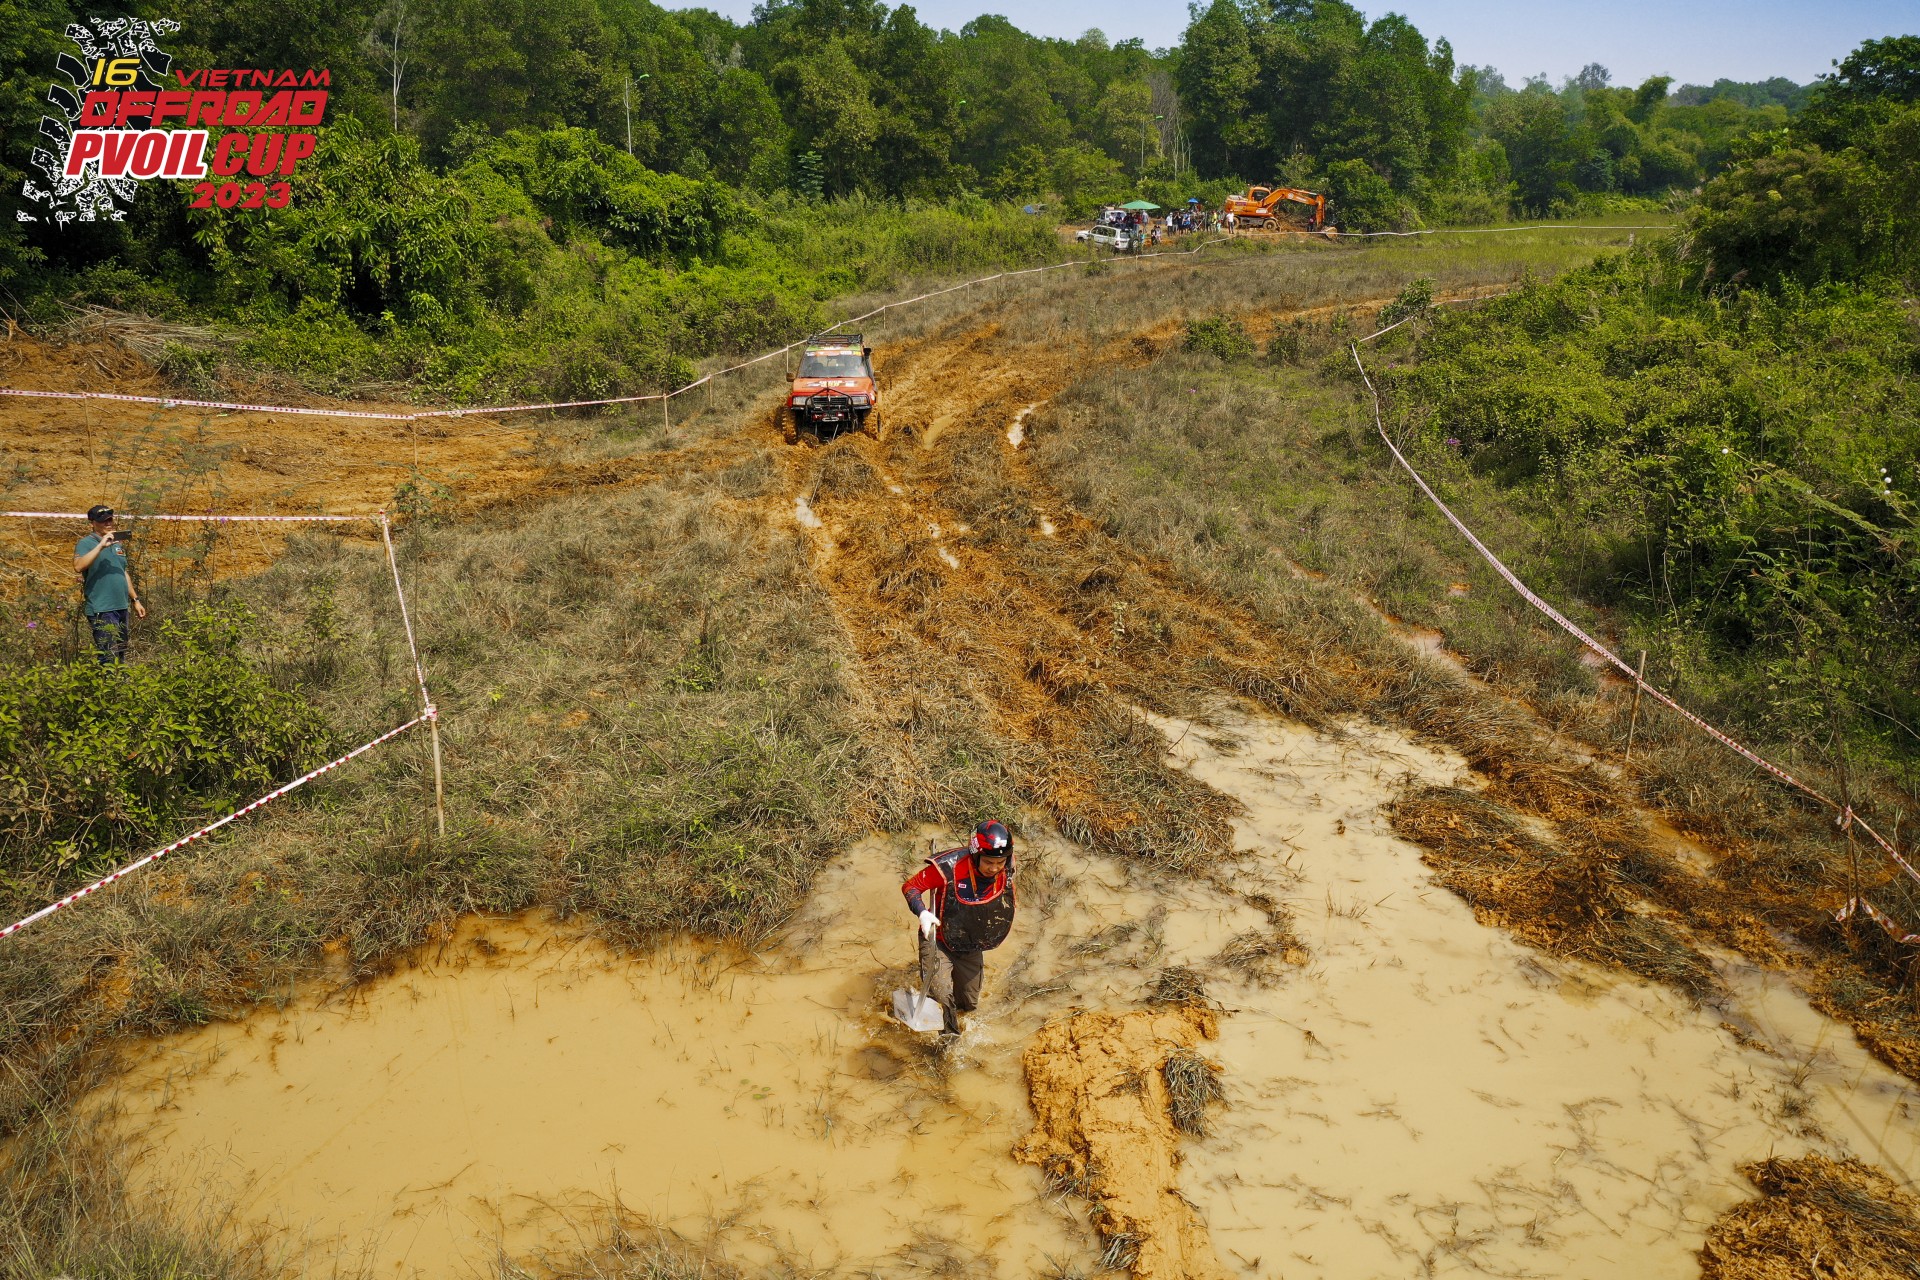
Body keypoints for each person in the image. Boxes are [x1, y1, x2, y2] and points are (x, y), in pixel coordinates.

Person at [901, 820, 1016, 1036]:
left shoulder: (1007, 866)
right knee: (943, 1000)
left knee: (969, 1004)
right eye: (989, 862)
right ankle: (948, 1042)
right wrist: (922, 913)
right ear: (975, 855)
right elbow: (911, 887)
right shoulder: (948, 868)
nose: (994, 868)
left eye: (1000, 862)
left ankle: (955, 1015)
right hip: (939, 939)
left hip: (971, 942)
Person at [74, 504, 145, 663]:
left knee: (120, 653)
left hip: (121, 607)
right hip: (102, 608)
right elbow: (78, 566)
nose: (108, 524)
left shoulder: (117, 544)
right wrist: (101, 545)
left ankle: (120, 685)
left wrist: (135, 600)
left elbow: (123, 572)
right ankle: (106, 685)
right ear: (92, 523)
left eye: (110, 520)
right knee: (107, 656)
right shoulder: (86, 543)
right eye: (103, 521)